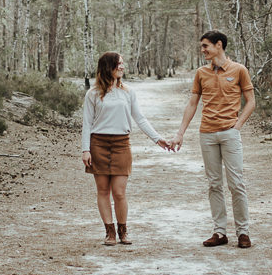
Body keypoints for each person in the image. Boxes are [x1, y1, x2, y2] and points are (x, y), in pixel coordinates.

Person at [171, 30, 256, 249]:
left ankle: (243, 232)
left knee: (236, 183)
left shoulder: (239, 70)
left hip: (229, 133)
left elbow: (251, 101)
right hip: (207, 134)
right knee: (214, 184)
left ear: (219, 45)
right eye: (202, 46)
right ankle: (220, 232)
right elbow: (192, 104)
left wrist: (237, 126)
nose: (203, 50)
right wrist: (180, 132)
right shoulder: (201, 73)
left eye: (206, 46)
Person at [81, 52, 173, 246]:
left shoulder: (128, 92)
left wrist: (158, 139)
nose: (122, 67)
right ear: (108, 67)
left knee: (119, 192)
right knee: (103, 191)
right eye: (118, 64)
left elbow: (140, 118)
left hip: (121, 144)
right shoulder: (93, 94)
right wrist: (85, 149)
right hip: (98, 143)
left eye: (122, 64)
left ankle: (123, 230)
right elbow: (87, 123)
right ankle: (110, 232)